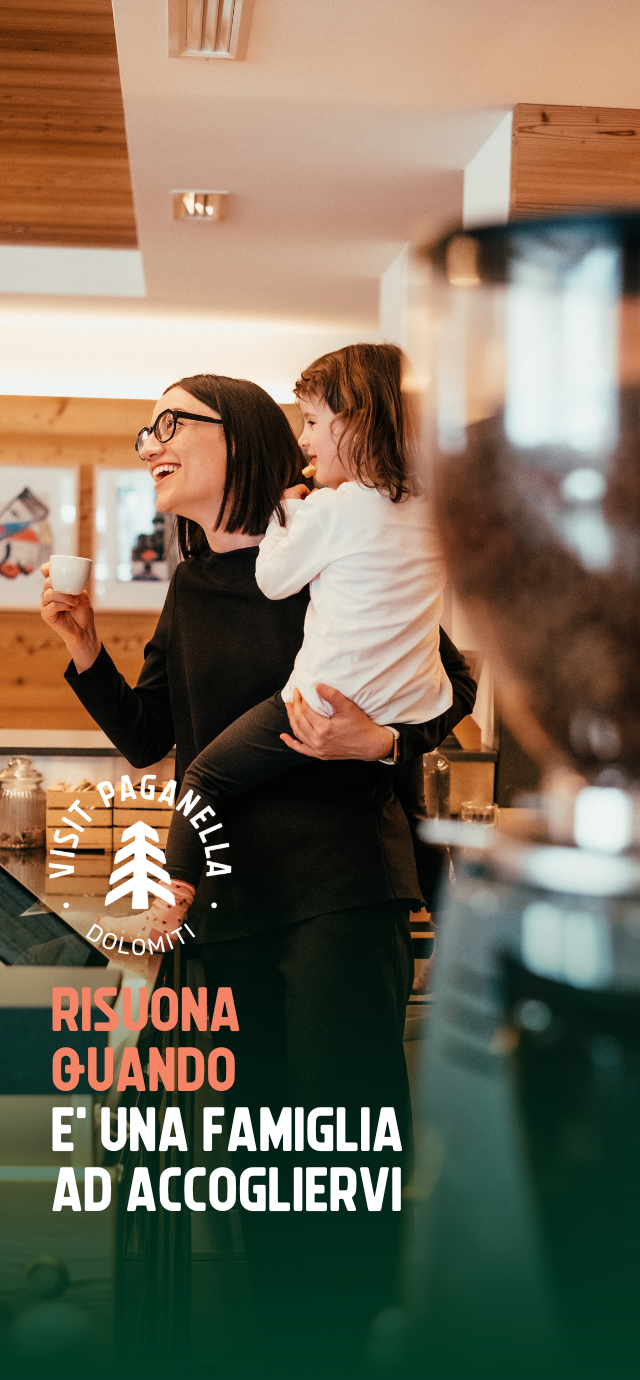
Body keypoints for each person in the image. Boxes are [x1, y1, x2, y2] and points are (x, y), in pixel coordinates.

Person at [40, 371, 475, 1378]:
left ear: (235, 436)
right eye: (145, 428)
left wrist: (384, 734)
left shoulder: (336, 541)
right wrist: (83, 650)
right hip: (224, 914)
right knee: (251, 1171)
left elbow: (446, 685)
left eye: (169, 424)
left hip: (335, 891)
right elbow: (153, 738)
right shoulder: (191, 586)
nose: (148, 441)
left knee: (342, 1157)